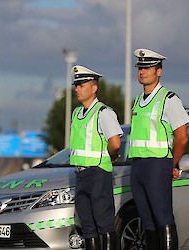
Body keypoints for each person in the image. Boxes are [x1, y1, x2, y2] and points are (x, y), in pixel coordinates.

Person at [128, 49, 189, 249]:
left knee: (162, 218)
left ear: (159, 71)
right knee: (146, 221)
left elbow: (182, 137)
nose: (143, 71)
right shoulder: (138, 100)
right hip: (137, 166)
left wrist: (169, 164)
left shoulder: (168, 98)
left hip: (157, 165)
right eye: (140, 67)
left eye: (148, 67)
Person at [69, 65, 123, 250]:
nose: (77, 88)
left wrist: (112, 156)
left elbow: (115, 143)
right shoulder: (76, 113)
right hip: (81, 174)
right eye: (76, 84)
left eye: (82, 84)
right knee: (88, 227)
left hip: (98, 173)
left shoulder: (103, 112)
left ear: (94, 88)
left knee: (104, 224)